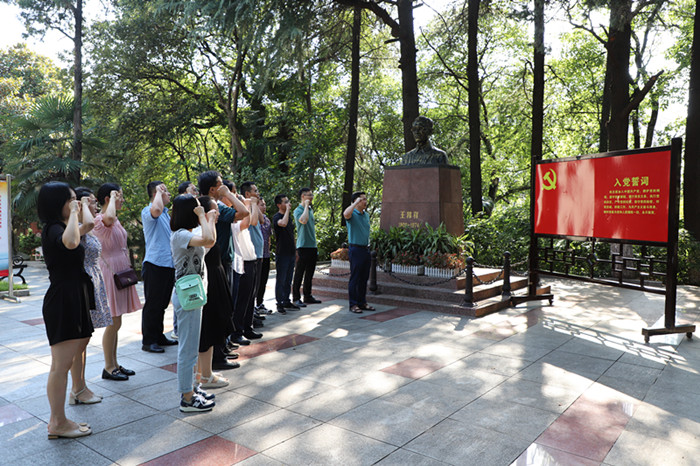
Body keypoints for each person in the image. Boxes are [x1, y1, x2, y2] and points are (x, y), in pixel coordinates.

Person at [38, 182, 94, 439]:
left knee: (68, 360)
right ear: (56, 203)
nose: (76, 203)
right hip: (63, 299)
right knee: (60, 366)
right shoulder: (53, 229)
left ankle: (58, 419)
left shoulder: (64, 227)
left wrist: (79, 210)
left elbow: (89, 226)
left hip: (75, 295)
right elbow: (72, 242)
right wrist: (74, 212)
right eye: (70, 199)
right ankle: (57, 422)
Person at [170, 194, 217, 412]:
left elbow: (211, 241)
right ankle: (187, 398)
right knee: (188, 349)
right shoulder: (179, 235)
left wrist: (210, 220)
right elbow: (207, 240)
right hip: (186, 296)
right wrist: (203, 217)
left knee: (192, 346)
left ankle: (192, 388)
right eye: (196, 208)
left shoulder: (189, 234)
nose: (200, 210)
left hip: (194, 294)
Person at [94, 183, 142, 381]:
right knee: (112, 322)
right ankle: (108, 366)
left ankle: (114, 363)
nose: (122, 200)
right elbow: (109, 218)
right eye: (119, 197)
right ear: (108, 199)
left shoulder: (113, 219)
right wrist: (113, 198)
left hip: (120, 271)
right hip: (109, 274)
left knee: (117, 321)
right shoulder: (100, 220)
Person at [70, 187, 111, 405]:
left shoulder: (86, 227)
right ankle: (77, 388)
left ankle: (81, 386)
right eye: (92, 202)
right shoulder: (77, 226)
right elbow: (87, 224)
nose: (95, 206)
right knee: (80, 341)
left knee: (85, 339)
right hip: (84, 283)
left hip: (93, 280)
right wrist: (84, 205)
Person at [195, 195, 234, 388]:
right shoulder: (199, 232)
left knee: (211, 330)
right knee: (207, 331)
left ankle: (205, 372)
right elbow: (209, 243)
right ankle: (204, 375)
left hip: (215, 281)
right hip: (207, 284)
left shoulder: (206, 229)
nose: (218, 214)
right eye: (214, 210)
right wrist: (208, 219)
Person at [141, 181, 178, 353]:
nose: (169, 193)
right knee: (153, 304)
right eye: (165, 190)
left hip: (167, 263)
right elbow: (155, 210)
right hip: (155, 263)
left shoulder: (166, 214)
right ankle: (148, 340)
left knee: (162, 304)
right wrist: (157, 192)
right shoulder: (149, 210)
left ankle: (159, 335)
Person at [230, 193, 262, 345]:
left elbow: (253, 221)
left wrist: (250, 205)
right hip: (242, 261)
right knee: (242, 300)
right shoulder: (233, 219)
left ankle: (248, 327)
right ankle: (237, 332)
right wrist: (249, 205)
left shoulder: (242, 216)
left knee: (251, 298)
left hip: (252, 260)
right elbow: (249, 222)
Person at [343, 191, 376, 313]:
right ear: (356, 201)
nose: (365, 201)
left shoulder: (366, 215)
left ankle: (362, 302)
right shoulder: (352, 214)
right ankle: (353, 304)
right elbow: (345, 214)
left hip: (366, 249)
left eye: (365, 199)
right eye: (362, 199)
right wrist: (355, 203)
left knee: (364, 278)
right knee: (355, 277)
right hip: (355, 249)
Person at [240, 180, 264, 338]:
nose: (258, 193)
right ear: (247, 193)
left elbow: (261, 220)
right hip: (246, 256)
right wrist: (252, 204)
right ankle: (241, 329)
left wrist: (256, 203)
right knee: (245, 295)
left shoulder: (254, 204)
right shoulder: (243, 206)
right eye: (255, 190)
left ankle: (248, 326)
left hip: (257, 255)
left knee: (253, 293)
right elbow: (253, 221)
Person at [292, 187, 322, 307]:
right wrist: (306, 206)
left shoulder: (310, 210)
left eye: (312, 195)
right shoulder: (298, 210)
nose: (311, 197)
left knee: (310, 273)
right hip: (303, 246)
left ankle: (307, 296)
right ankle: (295, 298)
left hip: (312, 246)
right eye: (309, 195)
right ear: (303, 197)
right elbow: (303, 221)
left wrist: (308, 207)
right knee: (299, 273)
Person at [272, 194, 297, 314]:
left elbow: (292, 233)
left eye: (288, 201)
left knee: (288, 279)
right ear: (279, 205)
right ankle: (279, 302)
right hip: (282, 253)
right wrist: (287, 211)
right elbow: (283, 223)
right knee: (281, 279)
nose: (288, 203)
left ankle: (287, 300)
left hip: (291, 252)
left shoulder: (289, 216)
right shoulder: (276, 217)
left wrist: (296, 250)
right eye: (285, 202)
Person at [255, 197, 273, 315]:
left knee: (263, 281)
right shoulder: (253, 219)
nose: (264, 207)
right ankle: (253, 307)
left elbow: (269, 238)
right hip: (257, 256)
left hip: (266, 255)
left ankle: (260, 303)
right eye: (261, 205)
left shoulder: (267, 220)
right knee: (256, 282)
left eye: (264, 204)